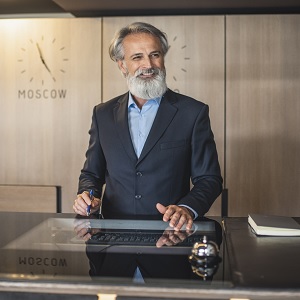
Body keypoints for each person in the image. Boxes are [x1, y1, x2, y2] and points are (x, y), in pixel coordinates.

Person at [73, 22, 223, 231]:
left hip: (170, 236)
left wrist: (187, 208)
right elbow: (92, 174)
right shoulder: (103, 114)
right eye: (137, 57)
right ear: (122, 65)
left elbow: (209, 178)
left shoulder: (193, 113)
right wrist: (88, 196)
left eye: (155, 55)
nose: (148, 64)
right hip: (113, 240)